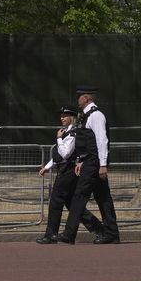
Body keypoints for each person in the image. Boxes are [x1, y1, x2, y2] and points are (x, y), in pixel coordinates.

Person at [57, 86, 120, 244]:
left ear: (86, 98)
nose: (77, 100)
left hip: (95, 163)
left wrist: (103, 165)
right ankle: (112, 234)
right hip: (91, 162)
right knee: (103, 198)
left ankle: (69, 234)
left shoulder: (96, 116)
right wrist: (82, 160)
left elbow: (101, 140)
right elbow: (89, 143)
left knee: (79, 196)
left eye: (79, 97)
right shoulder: (87, 116)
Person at [35, 104, 103, 244]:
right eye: (61, 116)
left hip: (69, 172)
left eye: (65, 116)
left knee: (56, 201)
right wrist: (47, 167)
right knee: (73, 205)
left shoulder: (73, 133)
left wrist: (59, 139)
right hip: (65, 170)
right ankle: (99, 229)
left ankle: (51, 234)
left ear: (72, 117)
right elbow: (58, 156)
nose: (62, 118)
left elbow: (65, 153)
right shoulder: (66, 131)